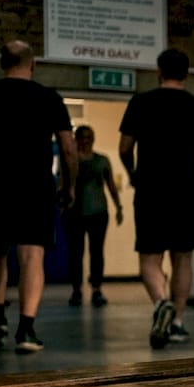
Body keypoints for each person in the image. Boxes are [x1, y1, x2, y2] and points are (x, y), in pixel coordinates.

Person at [118, 48, 194, 349]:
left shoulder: (141, 102)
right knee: (183, 257)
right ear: (186, 74)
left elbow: (124, 147)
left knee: (149, 258)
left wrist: (133, 172)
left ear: (159, 72)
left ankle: (160, 303)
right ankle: (176, 322)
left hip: (150, 190)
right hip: (187, 193)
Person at [0, 40, 78, 353]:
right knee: (32, 255)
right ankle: (26, 331)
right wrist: (69, 186)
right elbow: (69, 148)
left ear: (2, 64)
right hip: (35, 186)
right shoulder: (49, 98)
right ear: (33, 65)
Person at [64, 125, 123, 308]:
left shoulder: (102, 161)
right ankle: (76, 290)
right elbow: (63, 184)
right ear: (76, 139)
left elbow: (111, 185)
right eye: (82, 137)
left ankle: (97, 289)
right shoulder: (71, 161)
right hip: (74, 213)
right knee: (76, 253)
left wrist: (119, 207)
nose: (86, 141)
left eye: (89, 137)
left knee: (96, 252)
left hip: (98, 212)